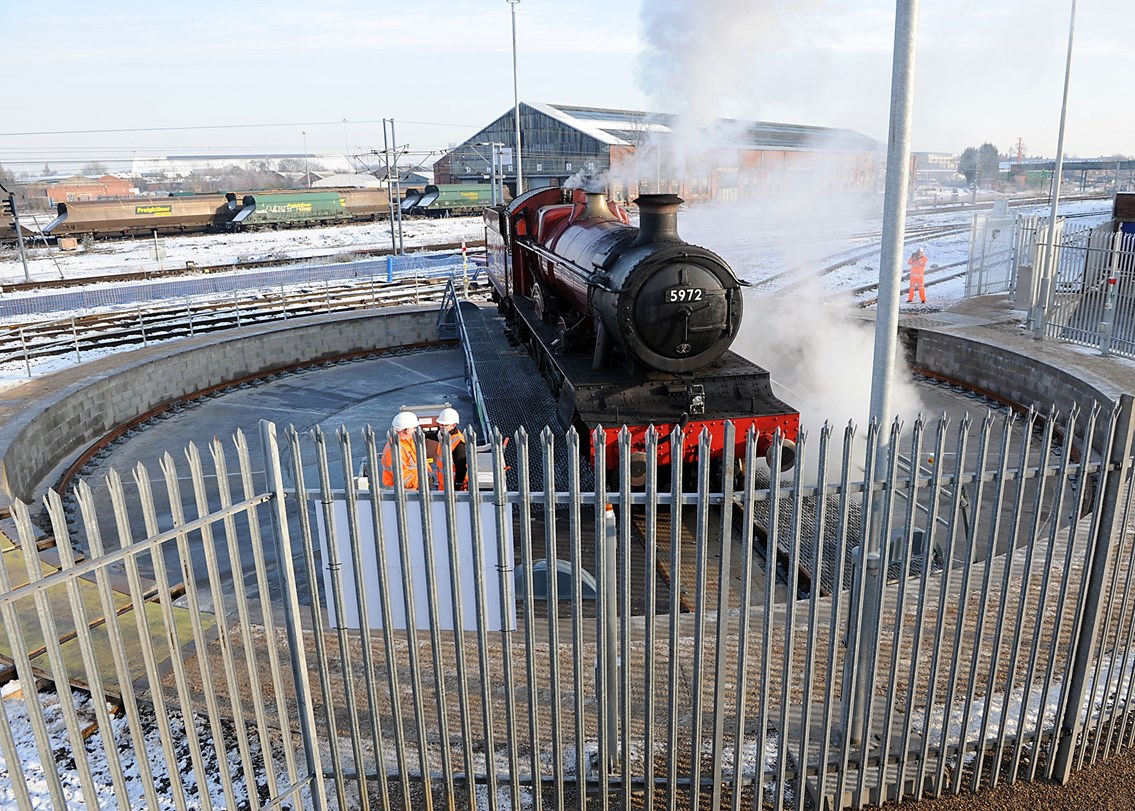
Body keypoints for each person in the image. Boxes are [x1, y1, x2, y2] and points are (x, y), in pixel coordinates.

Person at [381, 411, 428, 490]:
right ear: (406, 430)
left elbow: (421, 462)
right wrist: (422, 480)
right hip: (403, 493)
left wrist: (427, 475)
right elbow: (403, 478)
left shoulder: (410, 441)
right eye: (413, 428)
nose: (415, 430)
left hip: (415, 488)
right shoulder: (394, 449)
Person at [432, 407, 468, 491]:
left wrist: (456, 488)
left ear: (453, 425)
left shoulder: (459, 443)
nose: (442, 427)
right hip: (444, 485)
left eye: (445, 425)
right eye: (441, 424)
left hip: (453, 487)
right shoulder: (444, 435)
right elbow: (435, 435)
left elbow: (461, 469)